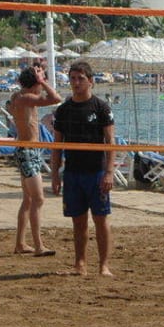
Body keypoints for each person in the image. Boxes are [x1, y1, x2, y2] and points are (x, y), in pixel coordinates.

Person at [50, 61, 116, 277]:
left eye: (80, 78)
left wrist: (109, 172)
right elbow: (57, 146)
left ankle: (103, 265)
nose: (76, 83)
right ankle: (80, 264)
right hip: (72, 173)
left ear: (91, 81)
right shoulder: (63, 110)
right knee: (78, 221)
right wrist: (54, 175)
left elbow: (111, 143)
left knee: (101, 219)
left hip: (96, 172)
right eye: (72, 79)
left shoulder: (101, 108)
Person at [9, 64, 61, 256]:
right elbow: (56, 98)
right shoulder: (26, 98)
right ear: (34, 84)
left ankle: (20, 243)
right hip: (27, 151)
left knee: (28, 200)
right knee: (38, 198)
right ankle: (38, 246)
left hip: (29, 150)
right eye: (38, 82)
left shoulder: (19, 97)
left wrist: (39, 78)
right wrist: (43, 82)